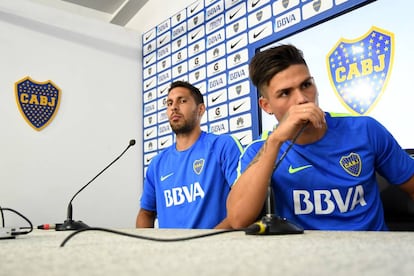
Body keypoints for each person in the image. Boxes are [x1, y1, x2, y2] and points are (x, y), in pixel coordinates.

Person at [226, 44, 414, 231]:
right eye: (285, 93)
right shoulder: (261, 149)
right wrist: (276, 140)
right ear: (266, 106)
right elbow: (238, 219)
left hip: (376, 253)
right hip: (310, 256)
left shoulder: (365, 130)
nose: (302, 99)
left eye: (306, 85)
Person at [137, 80, 243, 229]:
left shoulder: (223, 146)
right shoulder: (157, 163)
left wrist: (205, 242)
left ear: (200, 109)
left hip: (216, 249)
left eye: (182, 101)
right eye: (169, 103)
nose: (174, 107)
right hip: (169, 251)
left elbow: (245, 204)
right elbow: (146, 213)